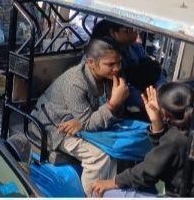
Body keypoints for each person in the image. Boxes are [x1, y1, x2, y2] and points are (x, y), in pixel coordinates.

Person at [30, 37, 128, 196]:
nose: (117, 68)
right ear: (91, 62)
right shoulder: (76, 82)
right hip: (55, 128)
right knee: (98, 157)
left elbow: (115, 113)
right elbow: (89, 123)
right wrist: (112, 104)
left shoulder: (113, 76)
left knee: (123, 148)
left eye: (119, 62)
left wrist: (86, 120)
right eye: (110, 64)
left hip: (83, 123)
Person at [91, 82, 194, 197]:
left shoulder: (175, 139)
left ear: (164, 113)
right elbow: (166, 156)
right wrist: (156, 122)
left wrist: (114, 182)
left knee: (102, 193)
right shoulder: (183, 134)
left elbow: (148, 172)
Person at [91, 20, 166, 109]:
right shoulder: (107, 58)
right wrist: (147, 99)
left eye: (137, 30)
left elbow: (157, 72)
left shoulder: (136, 48)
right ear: (113, 33)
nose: (135, 34)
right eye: (130, 30)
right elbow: (125, 91)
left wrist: (161, 93)